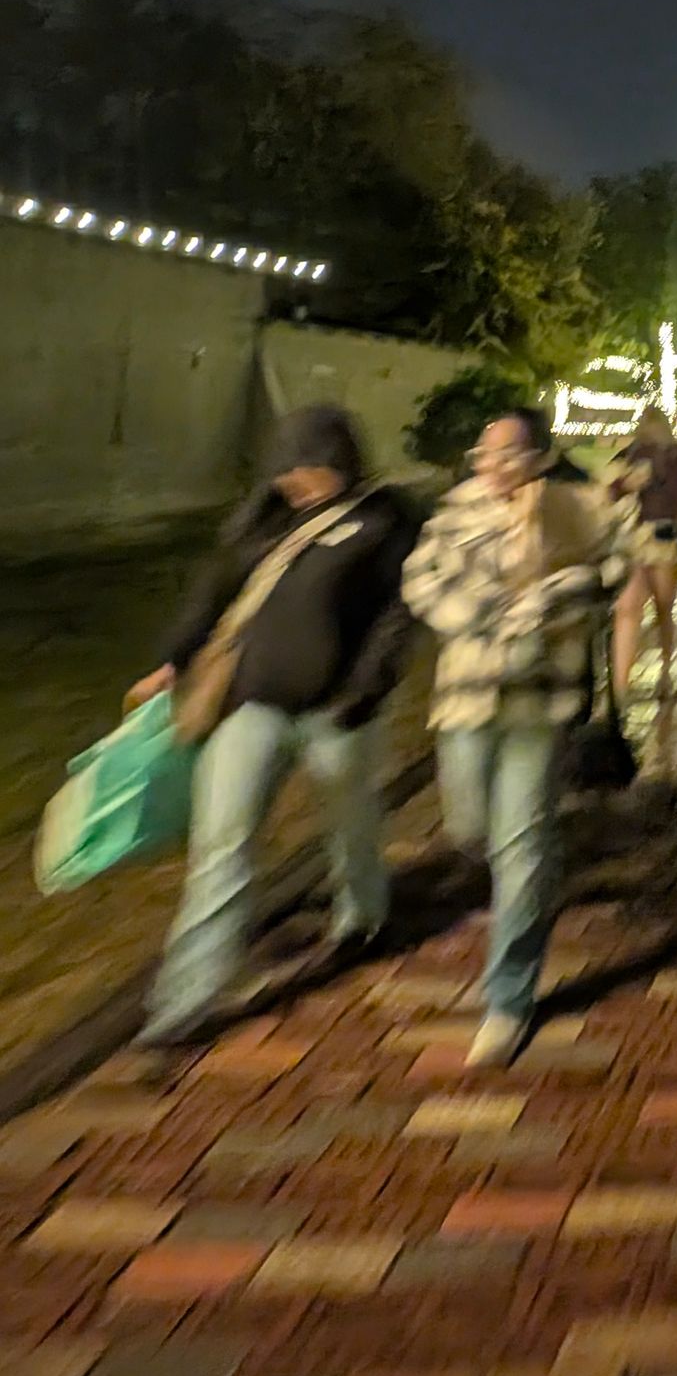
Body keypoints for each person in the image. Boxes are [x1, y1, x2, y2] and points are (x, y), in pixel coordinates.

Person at [126, 405, 417, 1052]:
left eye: (308, 469)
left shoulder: (386, 520)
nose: (295, 482)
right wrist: (170, 661)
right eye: (286, 470)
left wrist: (365, 693)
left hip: (339, 712)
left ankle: (362, 915)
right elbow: (213, 596)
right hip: (250, 704)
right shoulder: (266, 520)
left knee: (351, 822)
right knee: (221, 845)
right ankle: (184, 1001)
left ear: (341, 461)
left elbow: (399, 614)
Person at [402, 405, 629, 1067]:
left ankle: (509, 998)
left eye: (508, 454)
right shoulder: (454, 513)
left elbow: (615, 570)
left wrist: (552, 597)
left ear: (539, 457)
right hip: (467, 698)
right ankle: (531, 871)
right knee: (470, 829)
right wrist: (480, 615)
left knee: (521, 841)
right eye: (484, 453)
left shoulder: (572, 509)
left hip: (541, 700)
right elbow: (420, 580)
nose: (493, 465)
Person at [607, 408, 677, 700]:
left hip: (663, 539)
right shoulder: (632, 453)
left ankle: (665, 670)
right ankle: (621, 684)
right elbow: (609, 494)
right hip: (636, 539)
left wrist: (655, 477)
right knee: (628, 607)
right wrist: (626, 484)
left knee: (662, 608)